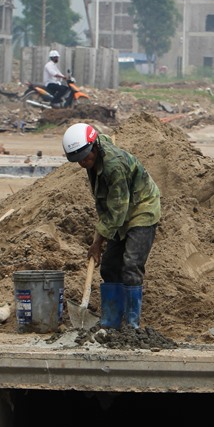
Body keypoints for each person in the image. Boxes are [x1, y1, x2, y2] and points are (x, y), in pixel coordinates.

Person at [62, 123, 161, 330]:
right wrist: (100, 242)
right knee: (108, 266)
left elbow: (117, 210)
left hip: (142, 207)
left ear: (94, 148)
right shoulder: (94, 154)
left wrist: (97, 243)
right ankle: (112, 321)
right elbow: (110, 207)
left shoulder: (114, 166)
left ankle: (131, 325)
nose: (83, 163)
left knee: (131, 265)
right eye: (78, 160)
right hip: (120, 208)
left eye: (86, 157)